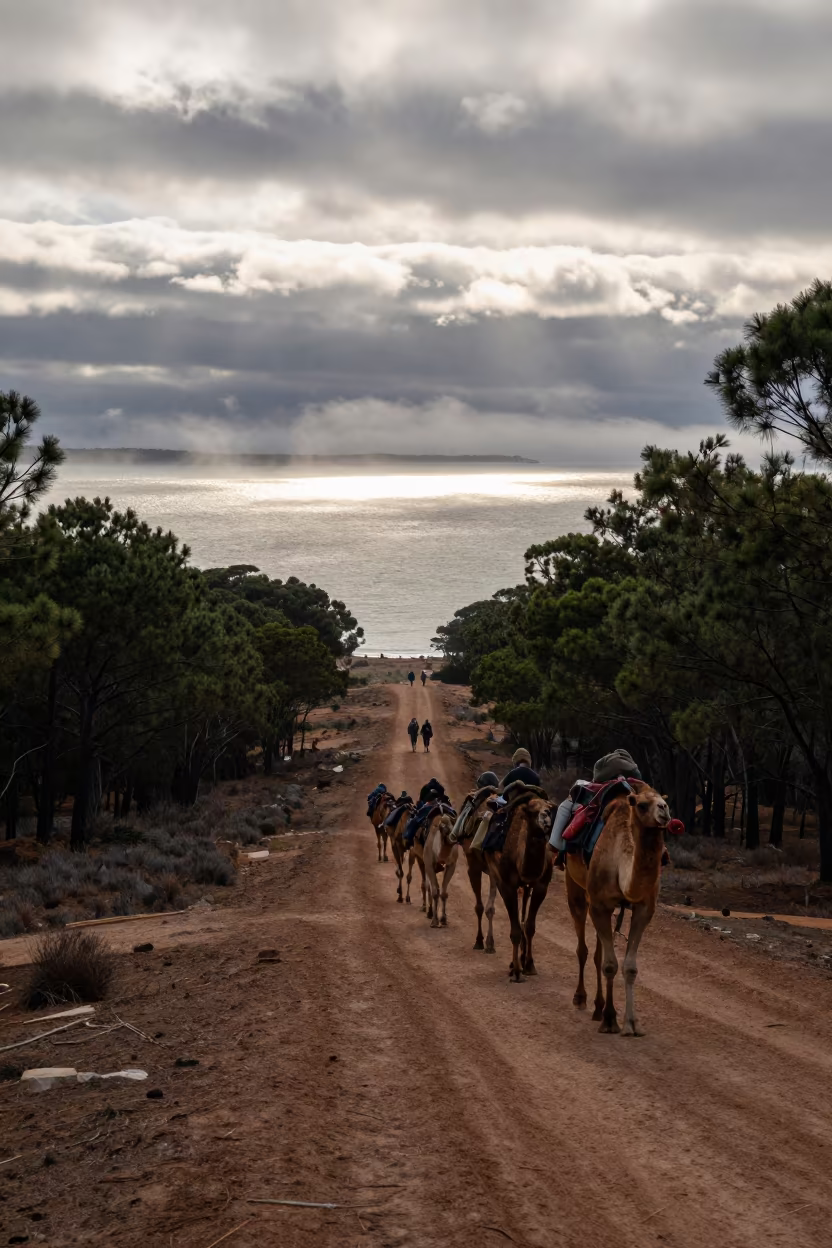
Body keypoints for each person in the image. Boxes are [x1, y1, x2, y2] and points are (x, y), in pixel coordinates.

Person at [549, 747, 642, 868]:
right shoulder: (633, 769)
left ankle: (556, 845)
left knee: (566, 806)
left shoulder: (603, 764)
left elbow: (597, 777)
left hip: (607, 784)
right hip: (631, 790)